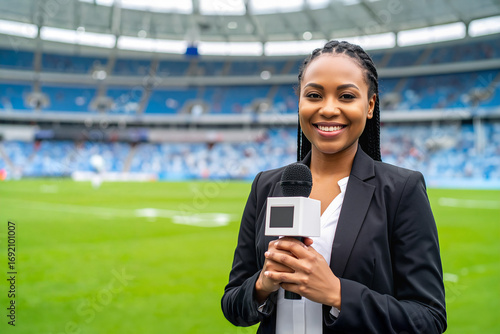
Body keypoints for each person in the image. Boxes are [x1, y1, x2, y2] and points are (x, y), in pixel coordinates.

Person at [221, 40, 447, 333]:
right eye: (314, 95)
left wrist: (337, 293)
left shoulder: (401, 190)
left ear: (369, 105)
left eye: (346, 96)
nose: (328, 109)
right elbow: (232, 304)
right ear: (300, 103)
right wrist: (262, 285)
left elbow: (429, 318)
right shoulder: (266, 185)